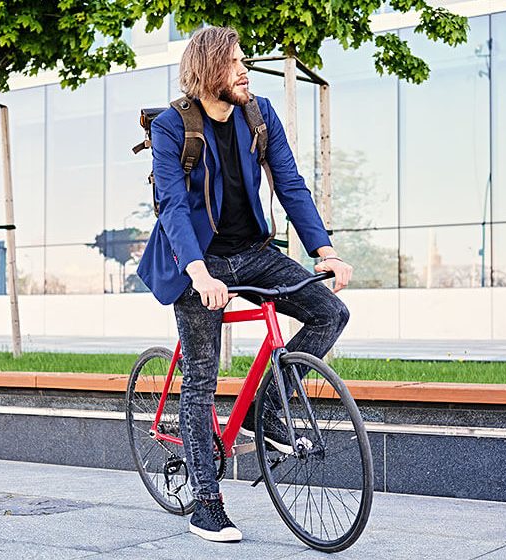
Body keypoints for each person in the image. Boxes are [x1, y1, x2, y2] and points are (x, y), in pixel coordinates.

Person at [136, 26, 353, 543]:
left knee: (330, 312)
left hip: (253, 255)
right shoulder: (172, 127)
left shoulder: (259, 114)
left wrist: (325, 250)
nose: (244, 70)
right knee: (201, 379)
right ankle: (206, 506)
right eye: (234, 63)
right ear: (209, 70)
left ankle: (265, 409)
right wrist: (197, 272)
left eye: (244, 61)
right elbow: (170, 203)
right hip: (197, 262)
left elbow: (290, 182)